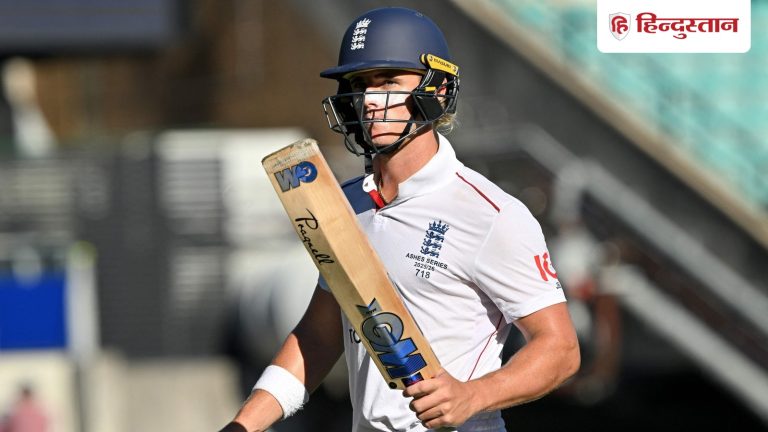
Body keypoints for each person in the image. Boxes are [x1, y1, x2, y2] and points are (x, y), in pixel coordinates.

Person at [221, 7, 579, 432]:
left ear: (437, 89)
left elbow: (560, 349)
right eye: (360, 85)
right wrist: (242, 426)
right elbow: (317, 338)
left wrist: (473, 395)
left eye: (388, 81)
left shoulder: (491, 213)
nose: (370, 100)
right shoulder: (342, 203)